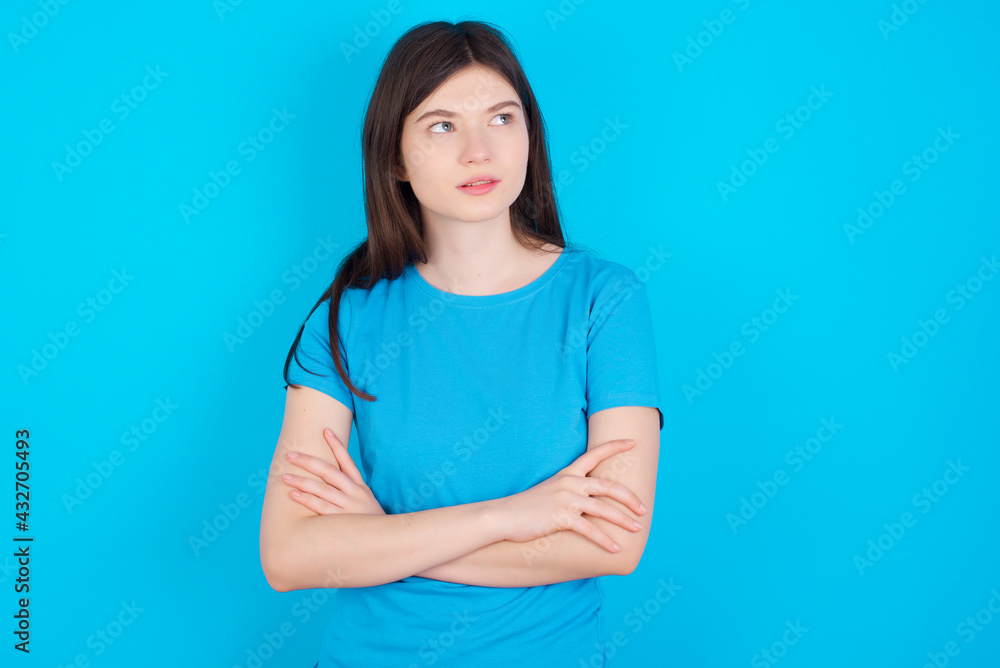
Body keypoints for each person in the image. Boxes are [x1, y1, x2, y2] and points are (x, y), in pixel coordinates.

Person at [258, 19, 663, 668]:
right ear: (394, 156)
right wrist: (511, 517)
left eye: (502, 119)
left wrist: (380, 538)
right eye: (442, 125)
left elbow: (614, 542)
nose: (479, 151)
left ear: (530, 133)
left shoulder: (603, 300)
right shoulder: (346, 318)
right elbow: (288, 557)